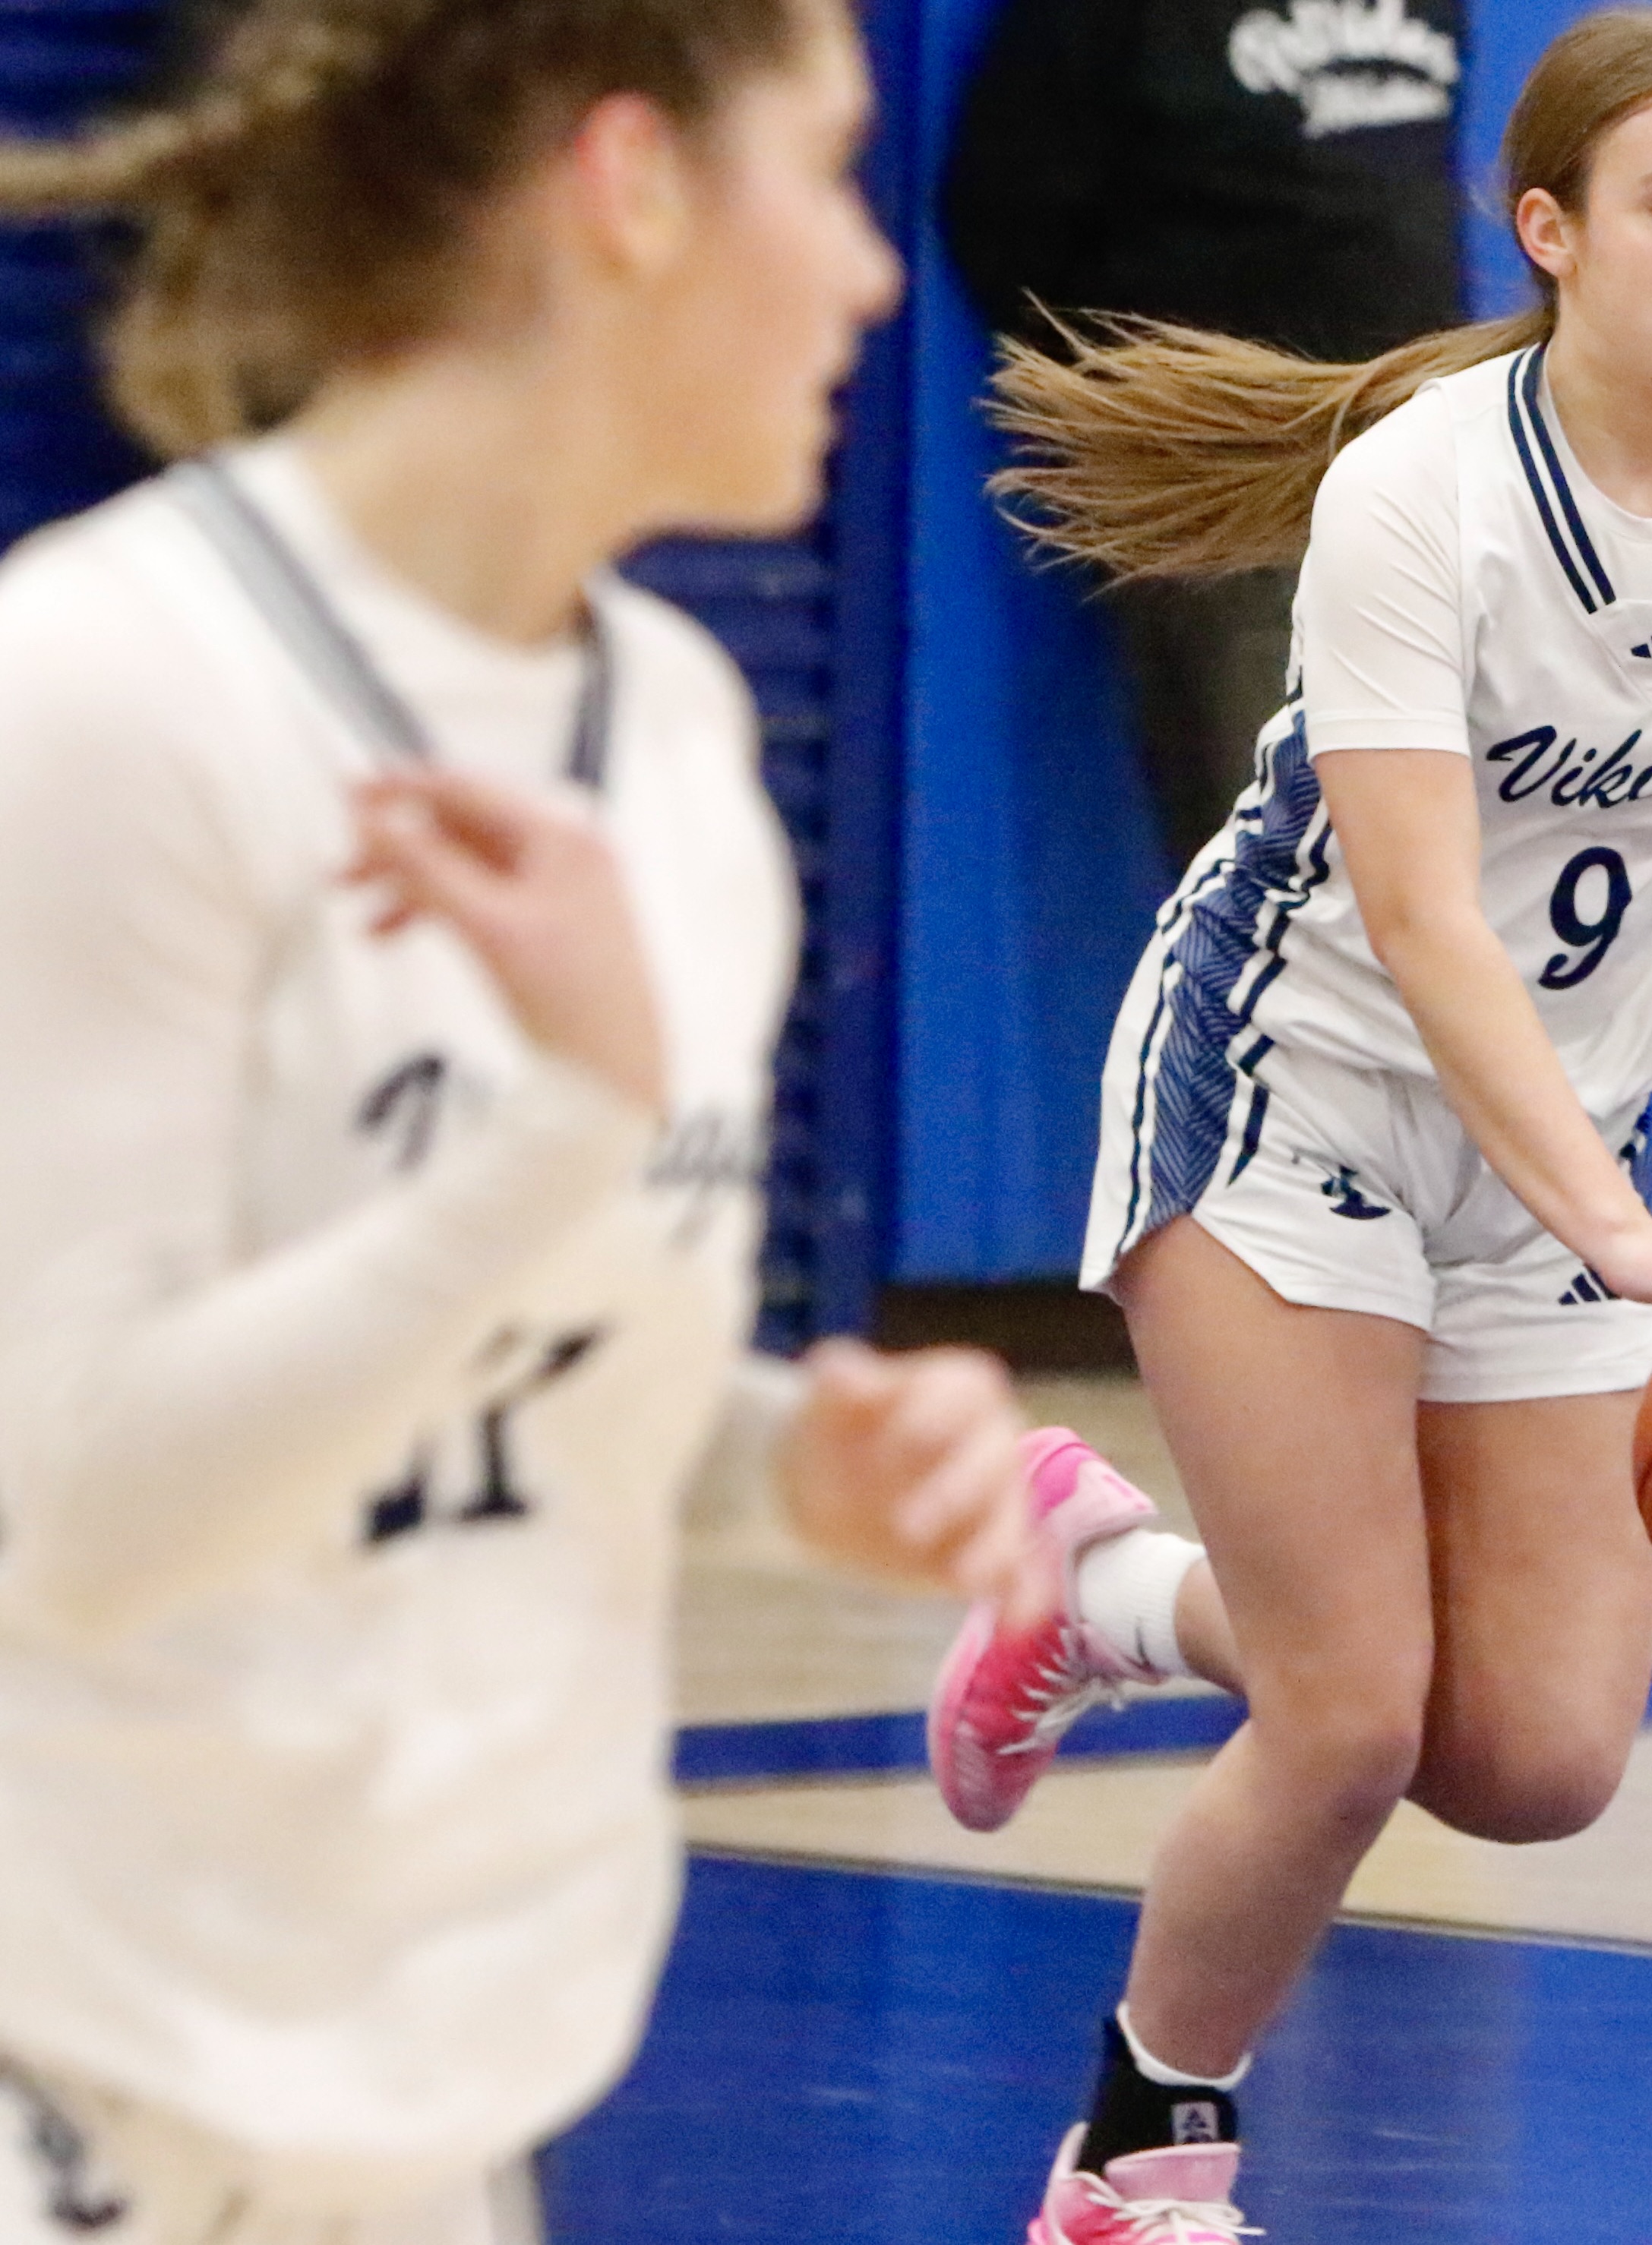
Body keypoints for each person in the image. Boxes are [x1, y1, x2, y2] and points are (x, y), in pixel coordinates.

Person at [0, 5, 1047, 2238]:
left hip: (438, 2082)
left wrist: (780, 1457)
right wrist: (564, 1121)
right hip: (76, 2058)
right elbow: (77, 1510)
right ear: (631, 185)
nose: (875, 270)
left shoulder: (669, 738)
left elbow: (499, 1374)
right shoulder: (102, 694)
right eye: (829, 169)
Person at [919, 10, 1652, 2237]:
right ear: (1547, 229)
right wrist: (1620, 1227)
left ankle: (1098, 1578)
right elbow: (1409, 912)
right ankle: (1136, 2156)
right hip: (1295, 1090)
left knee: (1532, 1759)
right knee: (1353, 1713)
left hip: (1561, 1147)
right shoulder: (1422, 492)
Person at [943, 0, 1470, 865]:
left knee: (1454, 872)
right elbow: (1003, 209)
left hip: (1421, 477)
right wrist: (1136, 419)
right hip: (1229, 500)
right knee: (1280, 884)